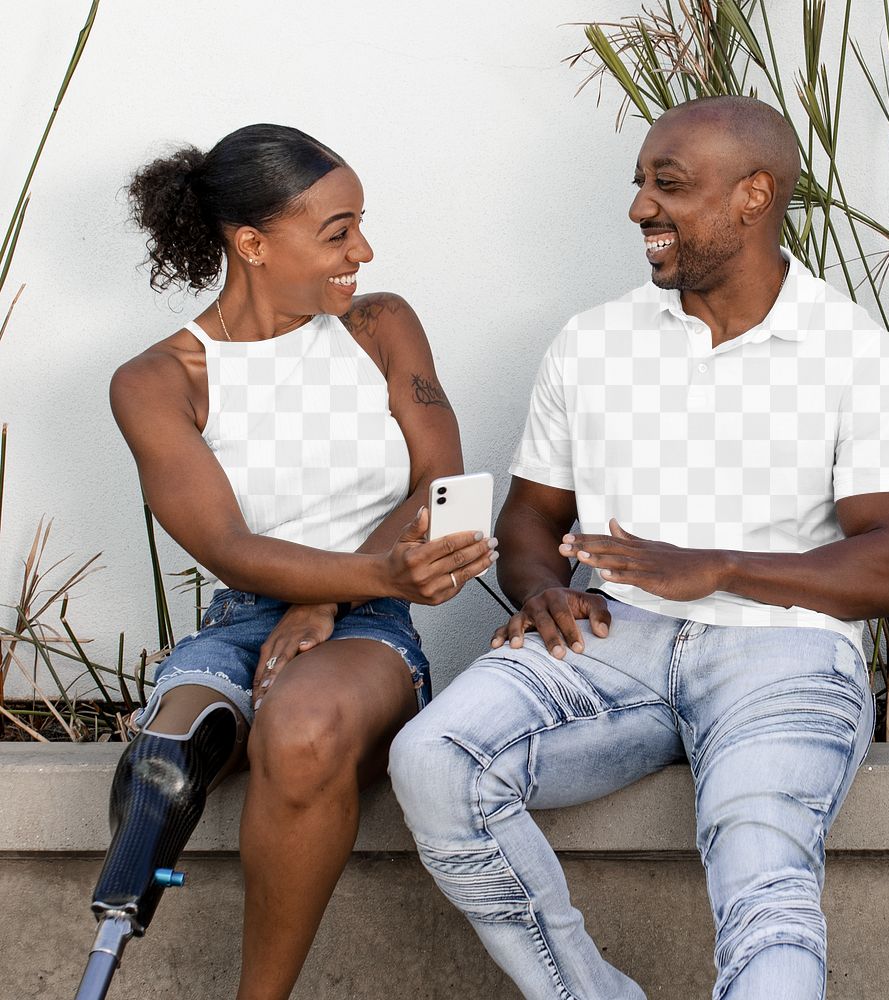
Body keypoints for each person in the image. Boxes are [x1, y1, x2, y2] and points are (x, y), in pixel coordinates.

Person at [389, 96, 889, 999]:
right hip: (614, 637)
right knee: (433, 758)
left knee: (766, 879)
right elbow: (531, 518)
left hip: (786, 650)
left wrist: (721, 568)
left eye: (668, 185)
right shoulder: (594, 343)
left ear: (754, 196)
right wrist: (539, 590)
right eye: (641, 183)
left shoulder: (857, 355)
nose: (640, 207)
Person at [86, 124, 497, 1000]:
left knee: (302, 728)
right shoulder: (160, 380)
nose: (364, 249)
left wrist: (334, 600)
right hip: (242, 622)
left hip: (370, 628)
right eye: (338, 230)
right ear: (253, 244)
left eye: (361, 225)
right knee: (168, 753)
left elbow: (438, 481)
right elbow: (229, 547)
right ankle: (111, 945)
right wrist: (360, 579)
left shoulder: (380, 326)